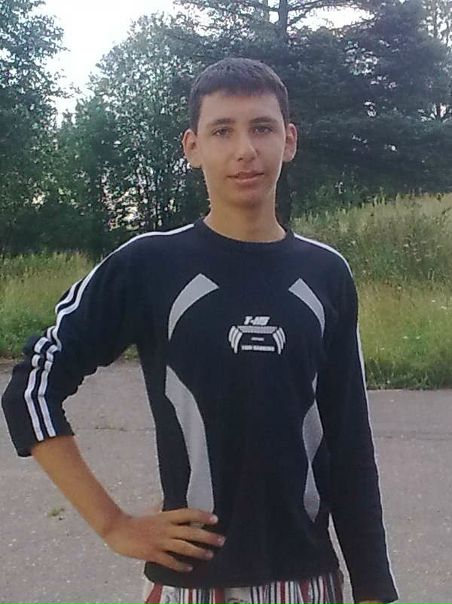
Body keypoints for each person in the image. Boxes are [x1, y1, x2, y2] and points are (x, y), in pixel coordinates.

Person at [2, 58, 398, 604]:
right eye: (222, 131)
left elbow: (350, 444)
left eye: (262, 128)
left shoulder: (326, 273)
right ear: (193, 147)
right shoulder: (149, 265)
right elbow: (32, 389)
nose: (245, 149)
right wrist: (114, 524)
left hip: (306, 582)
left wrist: (374, 589)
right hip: (191, 583)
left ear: (289, 141)